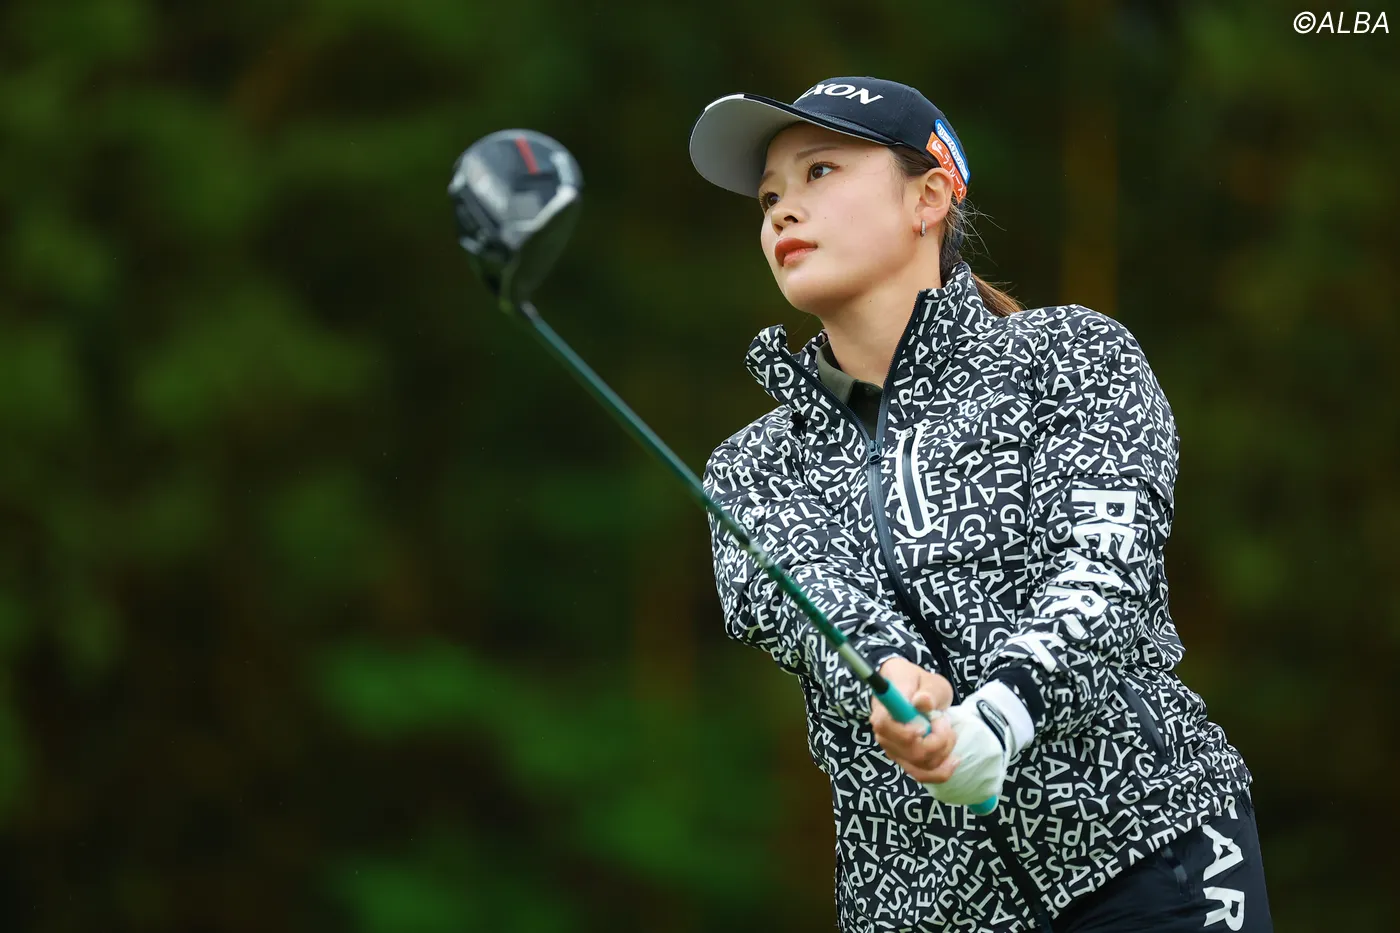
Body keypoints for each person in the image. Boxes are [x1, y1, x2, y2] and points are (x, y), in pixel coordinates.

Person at [691, 77, 1273, 933]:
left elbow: (1105, 567)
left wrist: (1000, 714)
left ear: (929, 197)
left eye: (819, 172)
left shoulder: (1072, 355)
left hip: (1151, 858)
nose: (782, 211)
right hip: (925, 914)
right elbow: (821, 613)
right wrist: (894, 680)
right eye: (769, 196)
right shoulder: (753, 465)